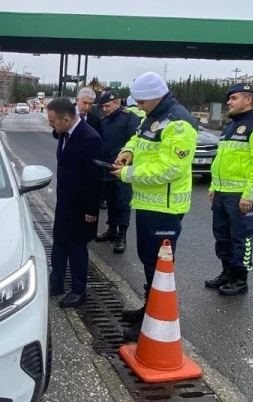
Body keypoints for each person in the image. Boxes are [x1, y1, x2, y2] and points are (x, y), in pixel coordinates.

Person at [110, 72, 198, 340]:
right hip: (149, 205)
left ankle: (154, 323)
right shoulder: (155, 117)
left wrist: (128, 174)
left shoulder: (179, 124)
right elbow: (139, 139)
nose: (138, 107)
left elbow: (169, 169)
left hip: (166, 210)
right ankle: (150, 309)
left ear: (155, 96)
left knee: (159, 267)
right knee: (148, 260)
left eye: (141, 102)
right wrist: (128, 151)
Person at [204, 82, 253, 296]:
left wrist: (249, 195)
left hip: (241, 196)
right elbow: (221, 162)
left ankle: (240, 279)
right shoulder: (230, 127)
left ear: (248, 100)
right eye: (229, 98)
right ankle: (226, 272)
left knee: (241, 237)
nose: (229, 102)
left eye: (233, 98)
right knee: (222, 235)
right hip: (222, 193)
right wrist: (215, 186)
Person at [45, 96, 103, 308]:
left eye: (53, 121)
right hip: (65, 201)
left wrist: (91, 209)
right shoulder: (65, 132)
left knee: (76, 248)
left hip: (81, 206)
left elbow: (94, 178)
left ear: (67, 119)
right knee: (59, 242)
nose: (50, 125)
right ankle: (56, 281)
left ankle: (79, 290)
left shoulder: (90, 139)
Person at [94, 89, 141, 254]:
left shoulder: (130, 118)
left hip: (123, 171)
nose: (104, 109)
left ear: (117, 102)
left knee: (122, 203)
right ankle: (111, 230)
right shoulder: (103, 121)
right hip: (107, 170)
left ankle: (122, 236)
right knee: (110, 202)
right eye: (102, 107)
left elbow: (135, 143)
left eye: (107, 106)